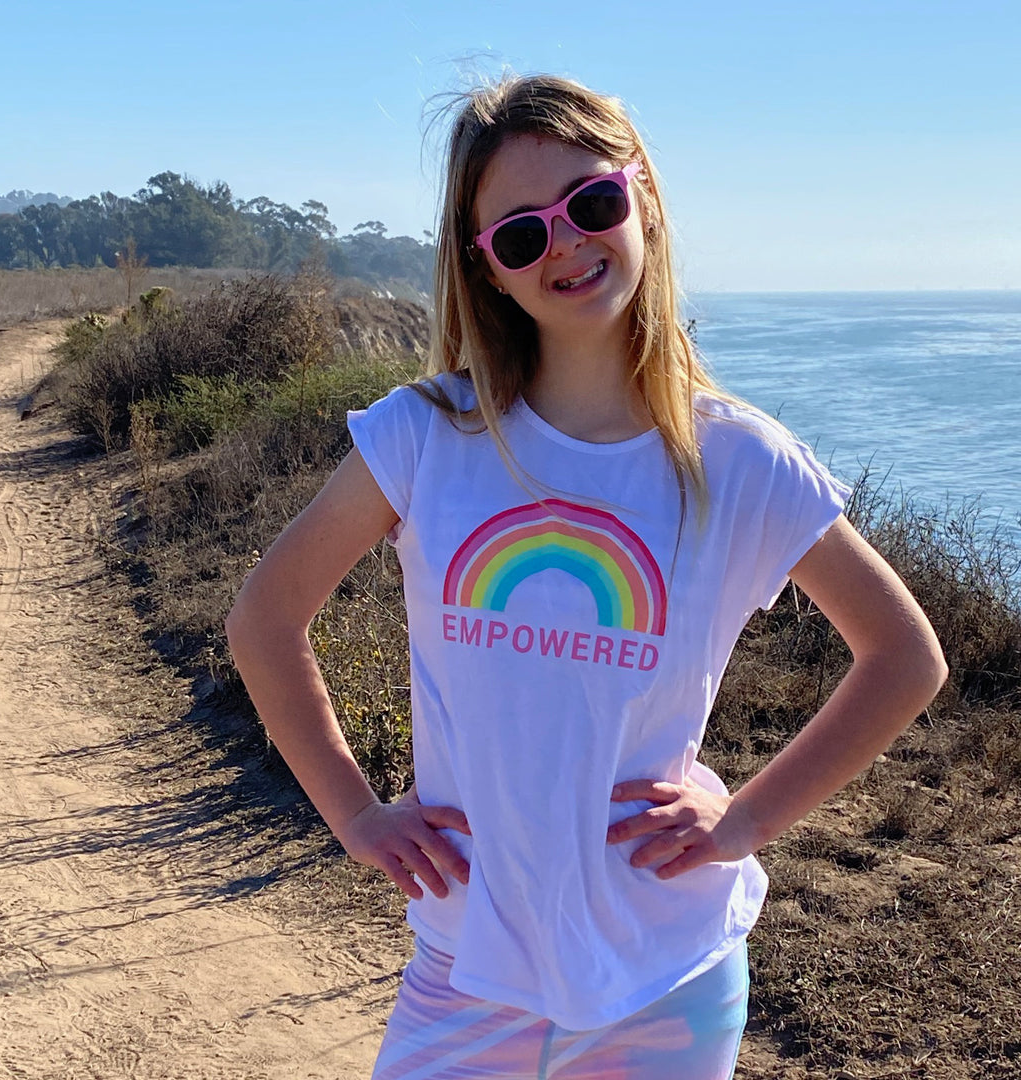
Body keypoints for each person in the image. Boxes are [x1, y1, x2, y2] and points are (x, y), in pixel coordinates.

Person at [225, 74, 948, 1080]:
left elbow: (906, 657)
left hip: (668, 980)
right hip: (465, 971)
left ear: (641, 195)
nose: (564, 244)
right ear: (486, 267)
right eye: (522, 234)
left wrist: (747, 820)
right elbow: (264, 618)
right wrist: (354, 814)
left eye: (591, 202)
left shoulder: (739, 460)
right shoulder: (426, 436)